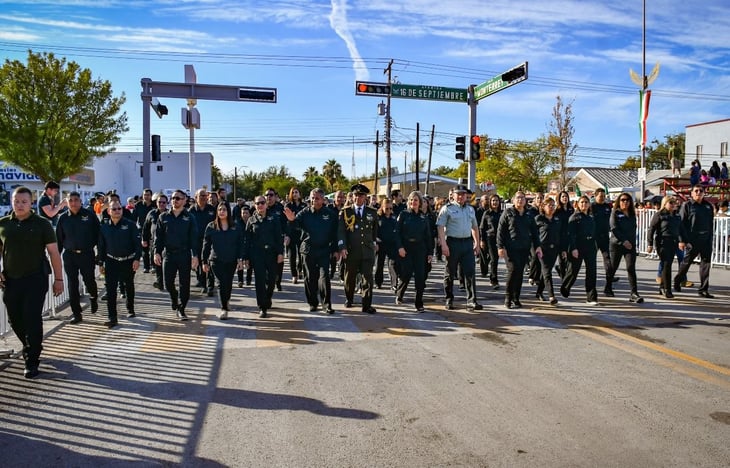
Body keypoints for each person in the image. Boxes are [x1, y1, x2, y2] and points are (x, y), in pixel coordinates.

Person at [0, 186, 64, 378]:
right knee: (14, 318)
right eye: (16, 201)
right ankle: (32, 345)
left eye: (24, 202)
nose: (19, 205)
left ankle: (31, 359)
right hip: (11, 279)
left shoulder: (42, 224)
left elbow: (53, 253)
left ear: (31, 203)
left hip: (36, 278)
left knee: (31, 316)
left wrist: (59, 279)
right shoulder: (3, 224)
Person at [283, 188, 338, 314]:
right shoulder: (305, 212)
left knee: (324, 277)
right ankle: (313, 303)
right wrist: (291, 220)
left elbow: (335, 234)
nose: (314, 200)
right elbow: (295, 225)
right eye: (312, 198)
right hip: (308, 250)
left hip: (324, 250)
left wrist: (335, 250)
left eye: (317, 198)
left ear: (323, 200)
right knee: (310, 277)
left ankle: (326, 304)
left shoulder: (330, 215)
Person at [154, 189, 200, 321]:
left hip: (184, 254)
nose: (175, 200)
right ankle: (174, 298)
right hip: (168, 254)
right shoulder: (163, 217)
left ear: (184, 200)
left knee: (184, 284)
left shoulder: (189, 217)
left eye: (178, 198)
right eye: (173, 198)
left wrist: (195, 255)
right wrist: (157, 252)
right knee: (168, 283)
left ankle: (182, 309)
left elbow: (193, 238)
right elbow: (159, 237)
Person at [55, 191, 101, 324]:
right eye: (71, 201)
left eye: (76, 200)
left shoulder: (89, 215)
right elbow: (59, 239)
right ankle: (77, 313)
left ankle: (93, 297)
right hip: (70, 255)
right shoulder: (63, 218)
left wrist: (100, 254)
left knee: (89, 280)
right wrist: (56, 256)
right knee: (72, 284)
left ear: (80, 201)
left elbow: (98, 235)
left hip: (87, 254)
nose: (73, 203)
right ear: (67, 203)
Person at [436, 184, 481, 311]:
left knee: (470, 272)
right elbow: (440, 226)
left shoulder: (470, 210)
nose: (461, 196)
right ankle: (449, 299)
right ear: (453, 195)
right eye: (458, 194)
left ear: (467, 195)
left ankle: (472, 300)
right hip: (452, 243)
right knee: (450, 273)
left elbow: (475, 227)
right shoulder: (447, 208)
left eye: (463, 194)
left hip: (467, 243)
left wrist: (477, 242)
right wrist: (443, 244)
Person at [98, 200, 142, 327]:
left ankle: (130, 309)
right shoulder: (104, 227)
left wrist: (137, 259)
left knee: (129, 286)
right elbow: (101, 246)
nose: (117, 211)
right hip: (111, 261)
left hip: (128, 261)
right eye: (114, 209)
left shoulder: (130, 225)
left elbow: (137, 244)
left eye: (119, 209)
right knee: (111, 290)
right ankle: (112, 317)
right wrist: (101, 262)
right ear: (109, 211)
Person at [338, 183, 379, 314]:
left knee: (367, 278)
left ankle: (366, 305)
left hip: (367, 251)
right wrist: (342, 247)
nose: (358, 198)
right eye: (356, 195)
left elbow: (375, 231)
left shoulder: (372, 212)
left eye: (361, 196)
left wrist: (374, 243)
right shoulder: (346, 212)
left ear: (365, 197)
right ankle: (349, 299)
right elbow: (341, 232)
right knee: (349, 278)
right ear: (352, 197)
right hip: (351, 250)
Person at [497, 191, 542, 309]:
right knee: (513, 271)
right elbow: (500, 231)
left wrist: (537, 246)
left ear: (525, 200)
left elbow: (534, 232)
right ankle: (508, 298)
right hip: (511, 248)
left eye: (522, 198)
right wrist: (500, 247)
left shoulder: (528, 214)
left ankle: (516, 298)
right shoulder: (508, 213)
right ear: (513, 200)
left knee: (520, 273)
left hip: (524, 248)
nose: (520, 200)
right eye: (518, 198)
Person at [202, 202, 244, 319]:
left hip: (231, 260)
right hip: (216, 260)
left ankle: (226, 301)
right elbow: (205, 245)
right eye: (219, 209)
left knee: (228, 283)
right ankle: (223, 308)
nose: (222, 211)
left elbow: (240, 244)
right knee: (221, 283)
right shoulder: (211, 226)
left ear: (228, 211)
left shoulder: (235, 226)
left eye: (224, 209)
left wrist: (240, 259)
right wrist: (204, 261)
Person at [245, 194, 285, 318]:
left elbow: (279, 237)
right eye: (258, 203)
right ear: (254, 205)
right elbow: (247, 240)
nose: (260, 205)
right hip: (257, 254)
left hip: (271, 253)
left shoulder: (274, 218)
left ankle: (267, 298)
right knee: (260, 281)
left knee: (272, 280)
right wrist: (246, 257)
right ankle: (262, 306)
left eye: (262, 203)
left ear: (266, 204)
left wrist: (280, 253)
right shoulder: (251, 220)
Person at [394, 191, 433, 312]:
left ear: (420, 202)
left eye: (416, 200)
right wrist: (400, 247)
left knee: (420, 277)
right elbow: (397, 233)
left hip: (420, 249)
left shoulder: (423, 217)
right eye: (411, 200)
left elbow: (428, 236)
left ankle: (419, 302)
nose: (413, 202)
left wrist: (430, 252)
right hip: (406, 248)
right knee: (406, 274)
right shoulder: (403, 214)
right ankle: (400, 294)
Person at [674, 185, 715, 298]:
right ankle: (678, 280)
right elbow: (681, 224)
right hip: (692, 240)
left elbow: (711, 223)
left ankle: (703, 289)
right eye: (696, 191)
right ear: (691, 193)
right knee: (686, 263)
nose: (698, 193)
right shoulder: (687, 205)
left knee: (705, 264)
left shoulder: (708, 206)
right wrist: (681, 240)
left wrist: (711, 237)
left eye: (701, 191)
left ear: (704, 193)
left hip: (706, 239)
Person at [560, 195, 599, 305]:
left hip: (590, 246)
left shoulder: (591, 217)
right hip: (578, 246)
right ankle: (565, 287)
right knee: (573, 270)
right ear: (578, 204)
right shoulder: (574, 217)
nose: (584, 204)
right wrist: (573, 248)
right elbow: (570, 235)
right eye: (582, 202)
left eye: (586, 202)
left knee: (592, 272)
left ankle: (591, 297)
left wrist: (595, 246)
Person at [605, 193, 644, 303]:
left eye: (627, 200)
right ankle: (608, 287)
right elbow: (614, 228)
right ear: (619, 201)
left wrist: (631, 243)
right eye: (622, 200)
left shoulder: (632, 214)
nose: (625, 202)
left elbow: (633, 229)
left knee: (631, 267)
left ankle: (634, 293)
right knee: (613, 266)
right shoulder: (615, 213)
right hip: (617, 244)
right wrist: (624, 241)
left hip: (630, 245)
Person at [647, 196, 685, 298]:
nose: (673, 205)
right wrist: (650, 244)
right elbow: (651, 229)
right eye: (670, 203)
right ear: (665, 203)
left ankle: (662, 286)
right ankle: (667, 289)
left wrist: (682, 241)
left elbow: (680, 230)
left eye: (674, 203)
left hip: (673, 242)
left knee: (667, 264)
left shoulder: (677, 216)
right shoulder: (659, 215)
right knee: (666, 264)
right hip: (662, 242)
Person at [534, 197, 564, 305]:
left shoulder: (557, 219)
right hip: (542, 249)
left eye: (553, 205)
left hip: (554, 248)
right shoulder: (539, 219)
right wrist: (536, 247)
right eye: (549, 205)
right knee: (547, 271)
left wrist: (562, 249)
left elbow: (560, 235)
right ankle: (552, 296)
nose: (551, 207)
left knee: (546, 272)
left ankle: (539, 292)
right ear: (543, 206)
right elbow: (534, 234)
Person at [189, 189, 216, 296]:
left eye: (205, 195)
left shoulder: (212, 210)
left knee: (209, 262)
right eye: (201, 196)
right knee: (199, 263)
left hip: (210, 241)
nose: (204, 197)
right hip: (196, 240)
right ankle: (203, 283)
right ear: (196, 197)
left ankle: (210, 286)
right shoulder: (191, 211)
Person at [142, 193, 168, 291]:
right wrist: (144, 239)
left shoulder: (169, 214)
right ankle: (160, 282)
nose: (161, 204)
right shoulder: (151, 213)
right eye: (159, 202)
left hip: (166, 243)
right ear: (156, 203)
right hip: (154, 243)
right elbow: (146, 227)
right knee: (157, 263)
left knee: (166, 264)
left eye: (163, 202)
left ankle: (167, 280)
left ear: (166, 203)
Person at [591, 188, 616, 289]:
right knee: (592, 261)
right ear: (595, 196)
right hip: (594, 237)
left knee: (608, 261)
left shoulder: (607, 207)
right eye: (600, 196)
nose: (602, 198)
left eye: (603, 196)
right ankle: (591, 284)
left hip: (605, 237)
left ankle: (608, 285)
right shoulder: (592, 207)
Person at [374, 199, 399, 291]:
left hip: (391, 244)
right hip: (381, 243)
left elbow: (396, 230)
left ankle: (394, 284)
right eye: (386, 208)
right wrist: (375, 241)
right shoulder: (378, 217)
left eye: (390, 208)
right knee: (379, 264)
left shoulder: (393, 217)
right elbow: (374, 230)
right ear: (382, 207)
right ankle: (378, 282)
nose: (389, 210)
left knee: (392, 265)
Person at [479, 193, 502, 289]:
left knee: (494, 259)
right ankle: (493, 279)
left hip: (500, 238)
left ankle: (493, 277)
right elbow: (482, 228)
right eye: (493, 201)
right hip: (490, 238)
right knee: (494, 259)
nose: (495, 202)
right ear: (490, 202)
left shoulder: (502, 213)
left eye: (496, 200)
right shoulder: (487, 213)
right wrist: (482, 240)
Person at [284, 187, 306, 284]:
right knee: (291, 256)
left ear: (300, 194)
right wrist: (286, 235)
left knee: (302, 254)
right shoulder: (288, 205)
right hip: (291, 233)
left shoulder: (304, 205)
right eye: (293, 192)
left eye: (296, 192)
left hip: (301, 233)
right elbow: (286, 222)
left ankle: (300, 269)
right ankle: (294, 275)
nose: (295, 194)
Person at [132, 188, 155, 273]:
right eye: (145, 195)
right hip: (142, 230)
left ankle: (154, 266)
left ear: (151, 196)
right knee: (144, 249)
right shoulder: (138, 205)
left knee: (153, 249)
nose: (146, 196)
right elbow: (134, 218)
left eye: (148, 195)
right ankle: (146, 267)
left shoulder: (155, 204)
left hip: (153, 230)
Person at [554, 190, 574, 279]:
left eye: (566, 196)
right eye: (563, 196)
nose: (565, 198)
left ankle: (561, 269)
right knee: (562, 258)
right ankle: (563, 277)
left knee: (570, 258)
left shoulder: (571, 209)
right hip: (560, 237)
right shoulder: (557, 211)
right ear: (559, 198)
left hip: (570, 236)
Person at [236, 205, 253, 287]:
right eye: (243, 213)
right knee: (240, 263)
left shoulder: (252, 222)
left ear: (249, 214)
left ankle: (248, 279)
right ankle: (240, 280)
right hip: (240, 245)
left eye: (246, 213)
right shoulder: (237, 223)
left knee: (250, 263)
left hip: (250, 245)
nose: (245, 215)